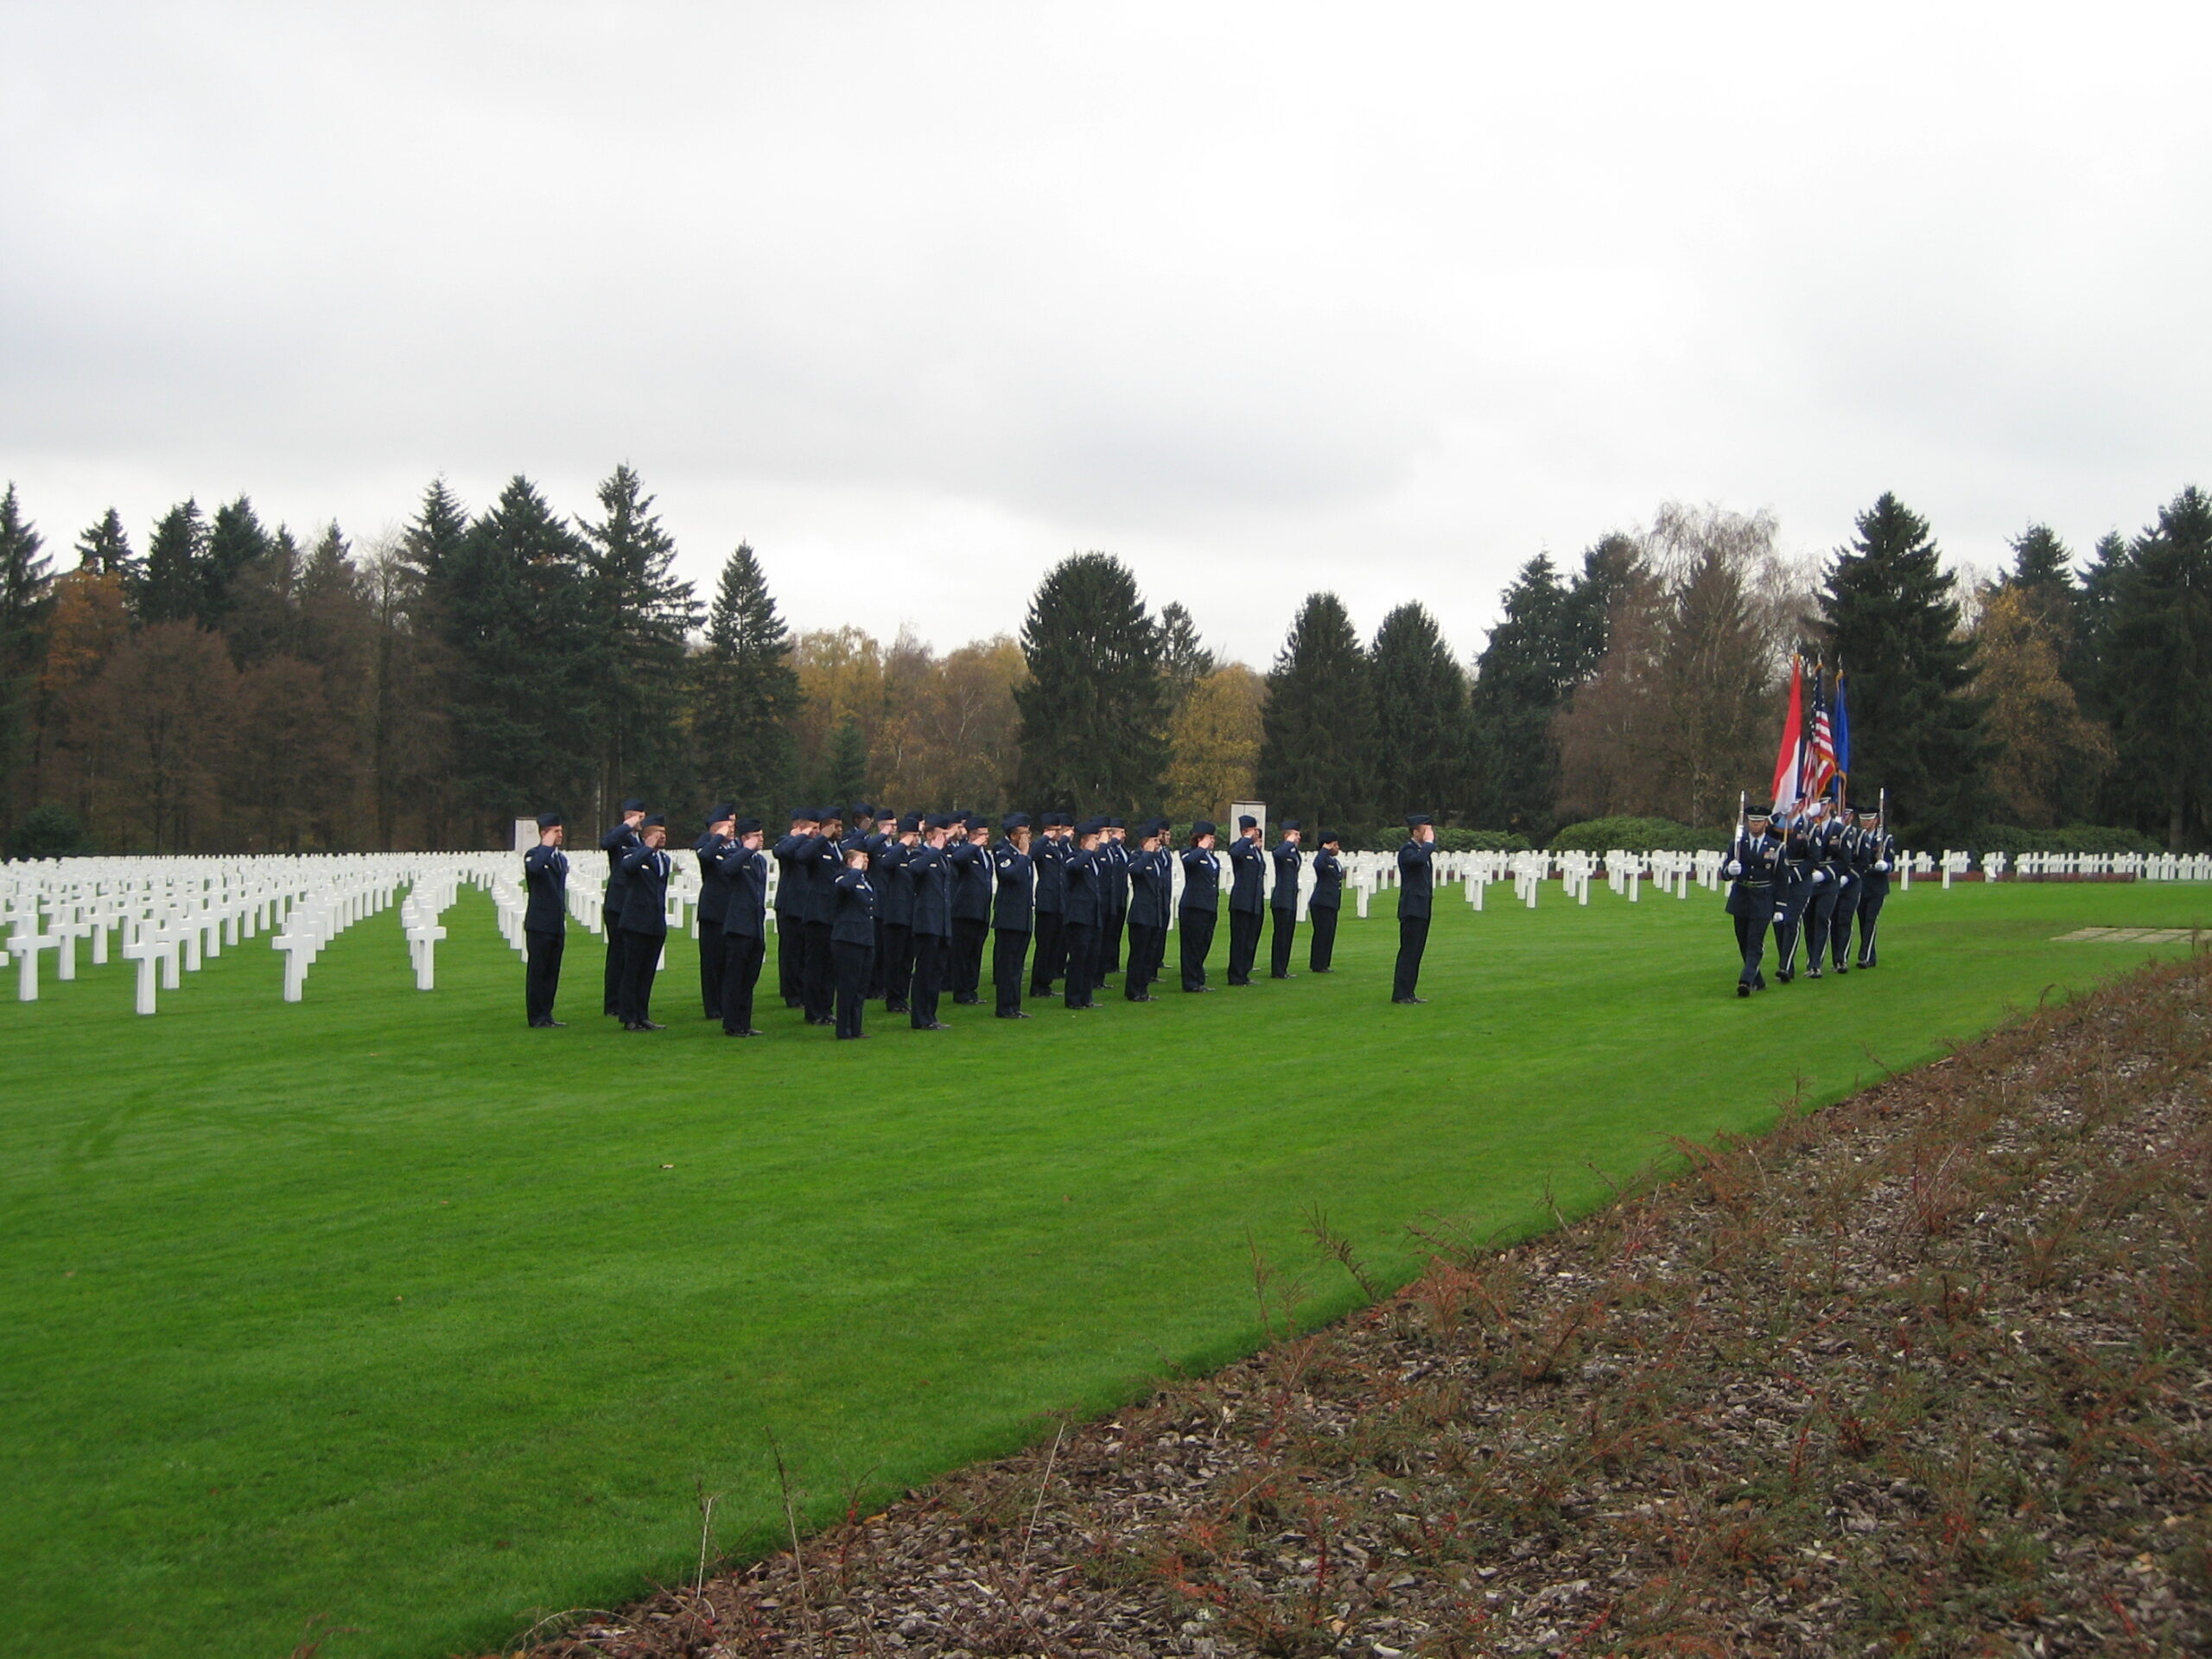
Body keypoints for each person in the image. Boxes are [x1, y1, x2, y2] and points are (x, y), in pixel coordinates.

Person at [615, 815, 672, 1030]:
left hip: (655, 923)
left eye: (665, 833)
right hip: (636, 923)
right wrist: (646, 848)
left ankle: (643, 1014)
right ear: (647, 836)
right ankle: (629, 1017)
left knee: (647, 972)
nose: (664, 837)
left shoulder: (664, 860)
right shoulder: (633, 854)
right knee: (632, 971)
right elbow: (628, 868)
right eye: (659, 834)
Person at [715, 817, 770, 1036]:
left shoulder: (760, 862)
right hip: (738, 927)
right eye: (757, 836)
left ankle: (745, 1021)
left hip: (755, 926)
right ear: (745, 839)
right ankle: (732, 1023)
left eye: (762, 835)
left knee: (749, 978)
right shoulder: (733, 856)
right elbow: (728, 869)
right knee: (735, 978)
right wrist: (745, 850)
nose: (761, 839)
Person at [1724, 804, 1784, 996]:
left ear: (1766, 823)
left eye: (1759, 821)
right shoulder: (1738, 845)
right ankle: (1758, 979)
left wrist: (1780, 906)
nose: (1755, 824)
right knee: (1742, 940)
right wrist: (1729, 870)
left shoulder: (1776, 847)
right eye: (1752, 821)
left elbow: (1781, 879)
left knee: (1754, 941)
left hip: (1763, 899)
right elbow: (1724, 873)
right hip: (1741, 897)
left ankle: (1746, 980)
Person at [797, 808, 845, 1024]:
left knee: (830, 966)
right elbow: (801, 856)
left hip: (835, 914)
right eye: (836, 827)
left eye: (841, 826)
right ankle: (813, 1011)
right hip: (818, 914)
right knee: (816, 965)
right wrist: (821, 837)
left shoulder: (839, 849)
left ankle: (826, 1008)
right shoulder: (816, 847)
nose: (840, 830)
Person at [906, 814, 953, 1030]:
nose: (945, 838)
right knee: (924, 971)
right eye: (941, 834)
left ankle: (931, 1015)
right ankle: (919, 1017)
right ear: (930, 835)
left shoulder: (943, 857)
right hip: (926, 921)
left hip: (942, 923)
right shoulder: (921, 853)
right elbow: (914, 870)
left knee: (937, 972)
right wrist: (934, 850)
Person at [600, 797, 646, 1016]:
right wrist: (626, 825)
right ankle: (613, 1003)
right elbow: (606, 843)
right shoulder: (619, 837)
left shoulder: (640, 840)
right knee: (618, 954)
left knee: (632, 955)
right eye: (637, 817)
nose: (640, 821)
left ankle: (628, 1000)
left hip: (634, 904)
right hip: (618, 904)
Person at [522, 812, 569, 1027]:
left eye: (560, 830)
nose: (561, 834)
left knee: (552, 971)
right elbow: (534, 869)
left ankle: (547, 1013)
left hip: (556, 922)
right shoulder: (534, 855)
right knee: (538, 970)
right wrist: (546, 846)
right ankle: (536, 1015)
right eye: (555, 831)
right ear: (544, 833)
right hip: (539, 924)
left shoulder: (561, 858)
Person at [991, 813, 1035, 1018]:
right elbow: (1010, 876)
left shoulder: (1023, 855)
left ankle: (1014, 1005)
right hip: (1009, 918)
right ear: (1014, 835)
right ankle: (1004, 1006)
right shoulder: (1003, 852)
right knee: (1007, 964)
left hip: (1023, 917)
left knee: (1018, 964)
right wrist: (1024, 854)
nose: (1028, 837)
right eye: (1024, 833)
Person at [830, 844, 877, 1039]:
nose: (866, 861)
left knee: (860, 986)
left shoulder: (866, 880)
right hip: (848, 939)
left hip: (865, 938)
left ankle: (856, 1027)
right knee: (847, 985)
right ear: (850, 862)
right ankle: (844, 1029)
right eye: (861, 858)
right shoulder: (843, 877)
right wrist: (855, 870)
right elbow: (844, 887)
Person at [1802, 802, 1853, 980]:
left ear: (1830, 806)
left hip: (1829, 882)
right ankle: (1811, 960)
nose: (1820, 808)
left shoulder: (1841, 830)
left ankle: (1817, 964)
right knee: (1808, 922)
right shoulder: (1807, 828)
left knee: (1822, 919)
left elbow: (1844, 860)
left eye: (1823, 804)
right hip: (1810, 881)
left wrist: (1825, 875)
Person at [771, 807, 815, 1008]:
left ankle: (806, 991)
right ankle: (792, 993)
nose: (815, 832)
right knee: (791, 953)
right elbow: (783, 852)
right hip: (791, 906)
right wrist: (801, 836)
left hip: (809, 906)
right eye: (812, 828)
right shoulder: (786, 841)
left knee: (807, 953)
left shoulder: (814, 845)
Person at [694, 805, 736, 1017]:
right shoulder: (707, 844)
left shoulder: (735, 846)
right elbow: (705, 856)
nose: (732, 829)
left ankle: (728, 1002)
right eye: (728, 825)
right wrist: (718, 837)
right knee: (712, 962)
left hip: (732, 911)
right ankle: (713, 1007)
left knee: (730, 961)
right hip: (713, 911)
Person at [947, 813, 994, 1005]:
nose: (985, 837)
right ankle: (961, 991)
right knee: (962, 954)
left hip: (981, 911)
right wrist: (974, 844)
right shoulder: (966, 851)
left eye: (986, 834)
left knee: (975, 953)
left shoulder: (984, 856)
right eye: (981, 834)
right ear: (972, 834)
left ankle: (971, 989)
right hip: (965, 911)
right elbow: (957, 859)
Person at [1123, 819, 1170, 1001]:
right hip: (1141, 915)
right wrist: (1147, 854)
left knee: (1149, 955)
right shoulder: (1137, 857)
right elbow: (1136, 872)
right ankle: (1133, 990)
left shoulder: (1157, 860)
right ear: (1146, 841)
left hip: (1155, 914)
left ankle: (1143, 989)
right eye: (1155, 841)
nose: (1159, 843)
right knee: (1139, 954)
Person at [878, 812, 919, 1014]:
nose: (916, 839)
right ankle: (893, 998)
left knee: (906, 961)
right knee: (894, 960)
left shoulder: (918, 856)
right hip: (895, 915)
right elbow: (885, 863)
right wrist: (902, 843)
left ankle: (903, 996)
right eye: (913, 835)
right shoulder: (896, 854)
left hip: (913, 914)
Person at [1393, 814, 1436, 1004]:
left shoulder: (1422, 851)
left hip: (1423, 907)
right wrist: (1428, 844)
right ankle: (1401, 993)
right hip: (1411, 908)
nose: (1430, 834)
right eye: (1426, 830)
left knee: (1417, 952)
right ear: (1416, 831)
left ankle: (1410, 992)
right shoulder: (1407, 850)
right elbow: (1417, 862)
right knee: (1408, 952)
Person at [1061, 817, 1103, 1010]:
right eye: (1094, 839)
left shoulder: (1093, 860)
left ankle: (1086, 997)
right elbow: (1073, 868)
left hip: (1093, 916)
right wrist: (1087, 851)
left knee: (1091, 958)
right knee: (1078, 958)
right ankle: (1073, 997)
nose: (1098, 843)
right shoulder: (1073, 856)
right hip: (1078, 916)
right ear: (1084, 841)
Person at [1770, 798, 1814, 984]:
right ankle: (1787, 964)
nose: (1790, 807)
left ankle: (1785, 966)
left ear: (1801, 805)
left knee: (1791, 922)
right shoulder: (1777, 826)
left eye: (1793, 803)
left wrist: (1793, 875)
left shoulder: (1809, 828)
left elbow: (1813, 859)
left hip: (1799, 882)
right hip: (1778, 882)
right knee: (1779, 923)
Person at [1179, 820, 1221, 992]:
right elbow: (1189, 863)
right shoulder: (1189, 853)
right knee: (1192, 945)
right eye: (1209, 837)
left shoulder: (1213, 858)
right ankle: (1190, 982)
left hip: (1209, 906)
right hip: (1193, 906)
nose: (1212, 841)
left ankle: (1198, 977)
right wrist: (1201, 848)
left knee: (1204, 943)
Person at [1225, 815, 1266, 986]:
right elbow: (1234, 853)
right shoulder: (1239, 847)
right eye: (1253, 829)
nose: (1257, 832)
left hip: (1255, 901)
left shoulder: (1254, 851)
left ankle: (1245, 973)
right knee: (1240, 939)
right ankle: (1236, 975)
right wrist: (1247, 838)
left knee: (1251, 940)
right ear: (1245, 831)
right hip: (1242, 901)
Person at [1030, 813, 1068, 995]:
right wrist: (1045, 837)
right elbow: (1031, 854)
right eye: (1056, 830)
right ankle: (1038, 985)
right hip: (1047, 902)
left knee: (1055, 945)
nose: (1059, 833)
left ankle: (1047, 982)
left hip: (1060, 902)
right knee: (1044, 946)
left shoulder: (1059, 848)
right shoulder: (1043, 847)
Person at [1853, 805, 1895, 968]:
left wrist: (1885, 866)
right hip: (1861, 883)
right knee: (1863, 921)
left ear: (1876, 820)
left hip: (1877, 885)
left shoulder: (1884, 839)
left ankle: (1864, 956)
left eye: (1869, 819)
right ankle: (1871, 956)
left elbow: (1891, 862)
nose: (1865, 823)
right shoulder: (1857, 837)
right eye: (1863, 819)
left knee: (1870, 920)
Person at [1268, 819, 1304, 979]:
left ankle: (1283, 968)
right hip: (1282, 898)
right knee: (1281, 935)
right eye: (1295, 834)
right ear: (1287, 835)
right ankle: (1277, 969)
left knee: (1288, 935)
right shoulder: (1282, 851)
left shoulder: (1294, 853)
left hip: (1291, 898)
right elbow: (1278, 854)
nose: (1298, 837)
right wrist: (1289, 842)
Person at [1306, 830, 1344, 973]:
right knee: (1322, 933)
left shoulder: (1333, 861)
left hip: (1331, 902)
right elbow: (1318, 864)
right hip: (1321, 902)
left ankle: (1324, 963)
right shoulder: (1322, 859)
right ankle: (1317, 964)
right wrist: (1324, 849)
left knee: (1329, 933)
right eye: (1335, 845)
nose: (1338, 847)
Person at [1098, 819, 1130, 979]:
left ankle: (1113, 962)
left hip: (1120, 897)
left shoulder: (1121, 851)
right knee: (1105, 935)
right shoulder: (1105, 849)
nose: (1123, 835)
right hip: (1106, 898)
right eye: (1120, 832)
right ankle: (1104, 966)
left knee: (1115, 933)